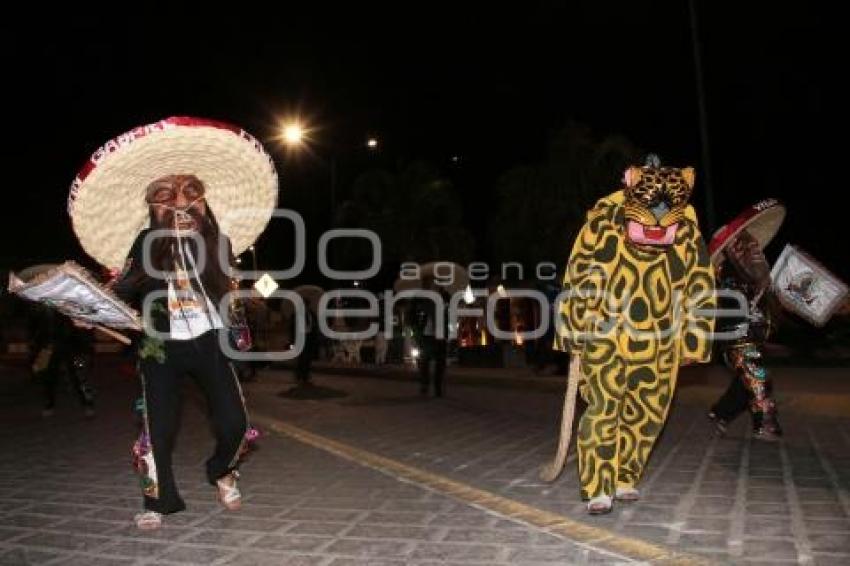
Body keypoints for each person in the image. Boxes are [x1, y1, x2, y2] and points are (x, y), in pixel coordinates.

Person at [66, 116, 278, 530]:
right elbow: (120, 287)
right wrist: (87, 311)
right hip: (160, 347)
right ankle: (157, 500)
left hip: (212, 342)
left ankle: (222, 470)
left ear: (203, 201)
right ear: (152, 206)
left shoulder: (220, 243)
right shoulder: (146, 244)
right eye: (167, 195)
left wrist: (247, 301)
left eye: (191, 192)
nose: (181, 202)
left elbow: (234, 288)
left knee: (236, 423)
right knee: (157, 427)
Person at [551, 156, 715, 514]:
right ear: (630, 185)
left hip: (662, 339)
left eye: (669, 204)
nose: (659, 213)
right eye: (650, 203)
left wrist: (695, 340)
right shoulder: (602, 222)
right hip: (605, 336)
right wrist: (572, 329)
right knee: (604, 408)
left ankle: (625, 475)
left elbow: (700, 286)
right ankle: (598, 485)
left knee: (648, 413)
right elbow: (578, 274)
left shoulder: (687, 231)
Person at [707, 199, 786, 441]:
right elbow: (729, 314)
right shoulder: (729, 278)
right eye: (743, 245)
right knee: (757, 377)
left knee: (745, 385)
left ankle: (720, 412)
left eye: (752, 244)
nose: (752, 248)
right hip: (737, 339)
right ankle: (765, 424)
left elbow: (769, 303)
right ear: (730, 253)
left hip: (752, 337)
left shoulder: (756, 275)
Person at [29, 304, 95, 418]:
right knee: (48, 376)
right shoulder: (41, 305)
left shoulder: (69, 302)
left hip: (71, 345)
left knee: (79, 375)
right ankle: (49, 404)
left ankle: (88, 404)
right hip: (49, 345)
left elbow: (81, 326)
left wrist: (85, 345)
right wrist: (35, 346)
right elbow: (35, 326)